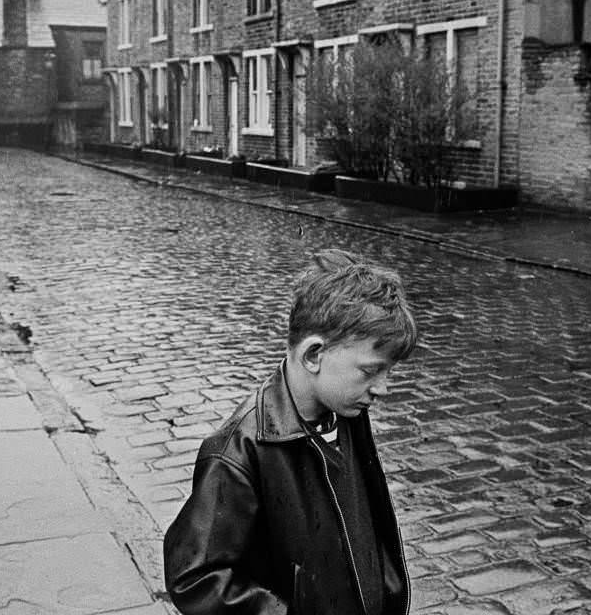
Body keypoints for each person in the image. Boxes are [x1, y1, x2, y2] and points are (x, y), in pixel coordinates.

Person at [163, 248, 418, 615]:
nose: (383, 388)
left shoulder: (345, 409)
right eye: (370, 371)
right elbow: (195, 577)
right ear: (314, 355)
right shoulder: (239, 451)